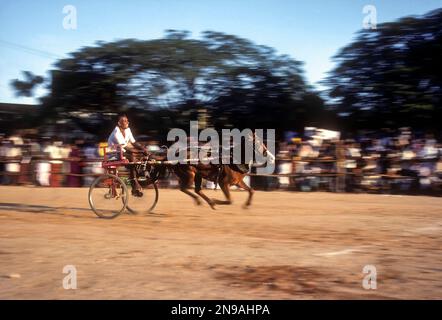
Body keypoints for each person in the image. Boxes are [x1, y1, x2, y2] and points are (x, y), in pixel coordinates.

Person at [107, 114, 148, 197]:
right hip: (112, 154)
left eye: (127, 120)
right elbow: (125, 147)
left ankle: (134, 184)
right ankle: (134, 184)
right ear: (119, 123)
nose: (127, 122)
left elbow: (133, 142)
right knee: (132, 157)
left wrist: (143, 149)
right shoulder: (116, 132)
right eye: (125, 121)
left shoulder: (128, 130)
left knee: (136, 159)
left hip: (122, 152)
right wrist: (139, 151)